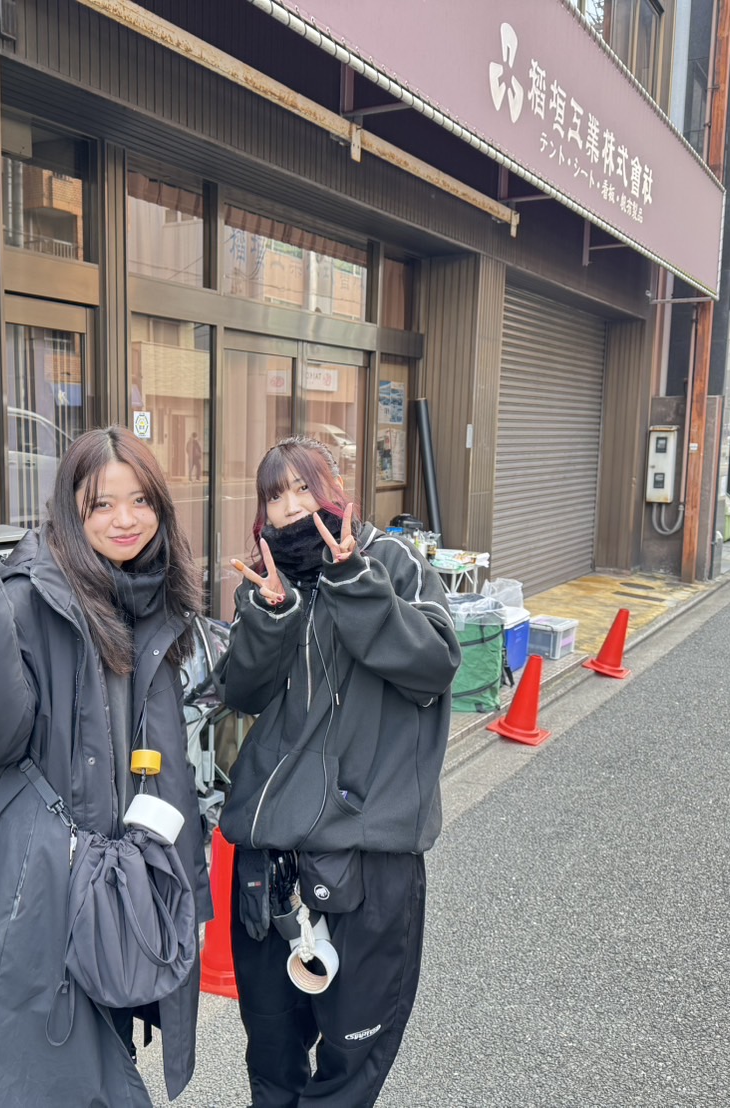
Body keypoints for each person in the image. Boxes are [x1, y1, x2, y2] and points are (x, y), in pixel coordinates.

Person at [0, 427, 209, 1107]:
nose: (125, 519)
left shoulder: (154, 598)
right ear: (70, 512)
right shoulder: (30, 598)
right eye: (101, 504)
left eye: (141, 500)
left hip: (123, 880)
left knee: (94, 1055)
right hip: (41, 886)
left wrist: (183, 888)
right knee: (31, 1070)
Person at [216, 435, 462, 1108]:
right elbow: (242, 694)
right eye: (275, 494)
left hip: (366, 853)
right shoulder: (269, 581)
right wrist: (269, 616)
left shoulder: (392, 562)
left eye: (304, 486)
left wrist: (353, 581)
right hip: (270, 854)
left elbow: (434, 667)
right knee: (271, 1057)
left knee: (351, 1064)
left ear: (335, 489)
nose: (291, 505)